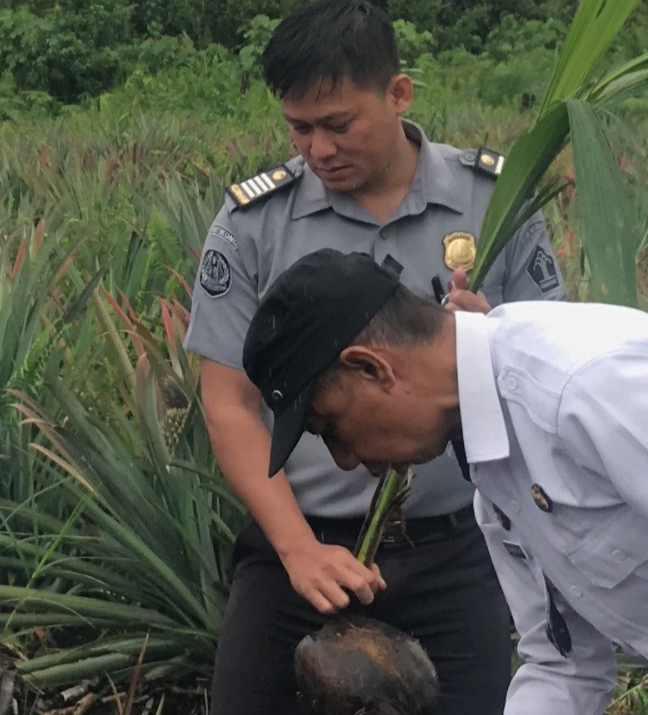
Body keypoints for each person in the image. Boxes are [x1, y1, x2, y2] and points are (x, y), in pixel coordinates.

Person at [182, 0, 568, 715]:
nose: (318, 150)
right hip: (299, 546)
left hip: (460, 547)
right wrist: (297, 550)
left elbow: (548, 364)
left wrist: (486, 343)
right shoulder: (254, 224)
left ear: (398, 95)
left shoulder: (494, 200)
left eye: (339, 125)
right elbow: (228, 402)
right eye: (299, 129)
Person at [242, 246, 648, 715]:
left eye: (332, 430)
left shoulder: (583, 389)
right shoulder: (497, 484)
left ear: (373, 369)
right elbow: (565, 667)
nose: (347, 461)